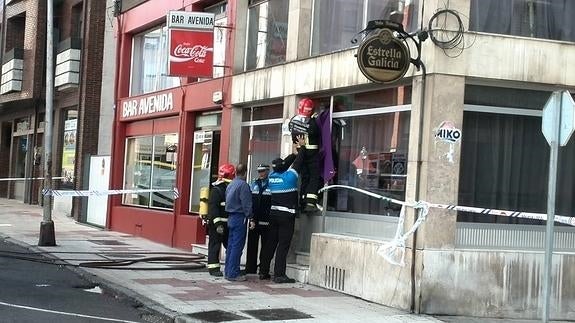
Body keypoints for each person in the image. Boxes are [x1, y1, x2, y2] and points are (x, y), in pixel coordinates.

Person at [259, 140, 305, 283]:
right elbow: (298, 163)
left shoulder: (272, 177)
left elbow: (283, 164)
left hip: (274, 215)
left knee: (270, 243)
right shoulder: (290, 177)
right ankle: (279, 275)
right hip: (286, 216)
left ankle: (263, 271)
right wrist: (302, 147)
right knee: (283, 245)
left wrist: (293, 153)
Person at [288, 97, 321, 212]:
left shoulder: (292, 121)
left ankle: (302, 202)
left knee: (305, 177)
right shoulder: (311, 122)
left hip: (299, 154)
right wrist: (315, 119)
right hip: (311, 153)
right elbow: (316, 132)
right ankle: (310, 203)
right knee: (314, 176)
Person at [224, 163, 254, 282]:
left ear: (236, 172)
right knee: (237, 246)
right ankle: (233, 273)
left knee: (230, 246)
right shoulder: (243, 186)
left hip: (230, 217)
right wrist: (251, 218)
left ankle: (228, 271)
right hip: (239, 217)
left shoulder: (230, 184)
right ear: (245, 173)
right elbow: (246, 204)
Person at [205, 163, 235, 277]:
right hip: (218, 224)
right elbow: (213, 209)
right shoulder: (217, 190)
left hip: (226, 224)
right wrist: (218, 224)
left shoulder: (228, 188)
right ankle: (213, 269)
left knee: (227, 246)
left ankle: (229, 267)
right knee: (215, 246)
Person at [245, 164, 272, 275]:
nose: (260, 173)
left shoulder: (272, 185)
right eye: (259, 171)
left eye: (263, 171)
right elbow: (250, 202)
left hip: (266, 221)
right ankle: (250, 268)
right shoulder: (254, 184)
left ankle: (263, 269)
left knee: (266, 247)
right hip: (254, 221)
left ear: (267, 171)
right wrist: (251, 218)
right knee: (252, 245)